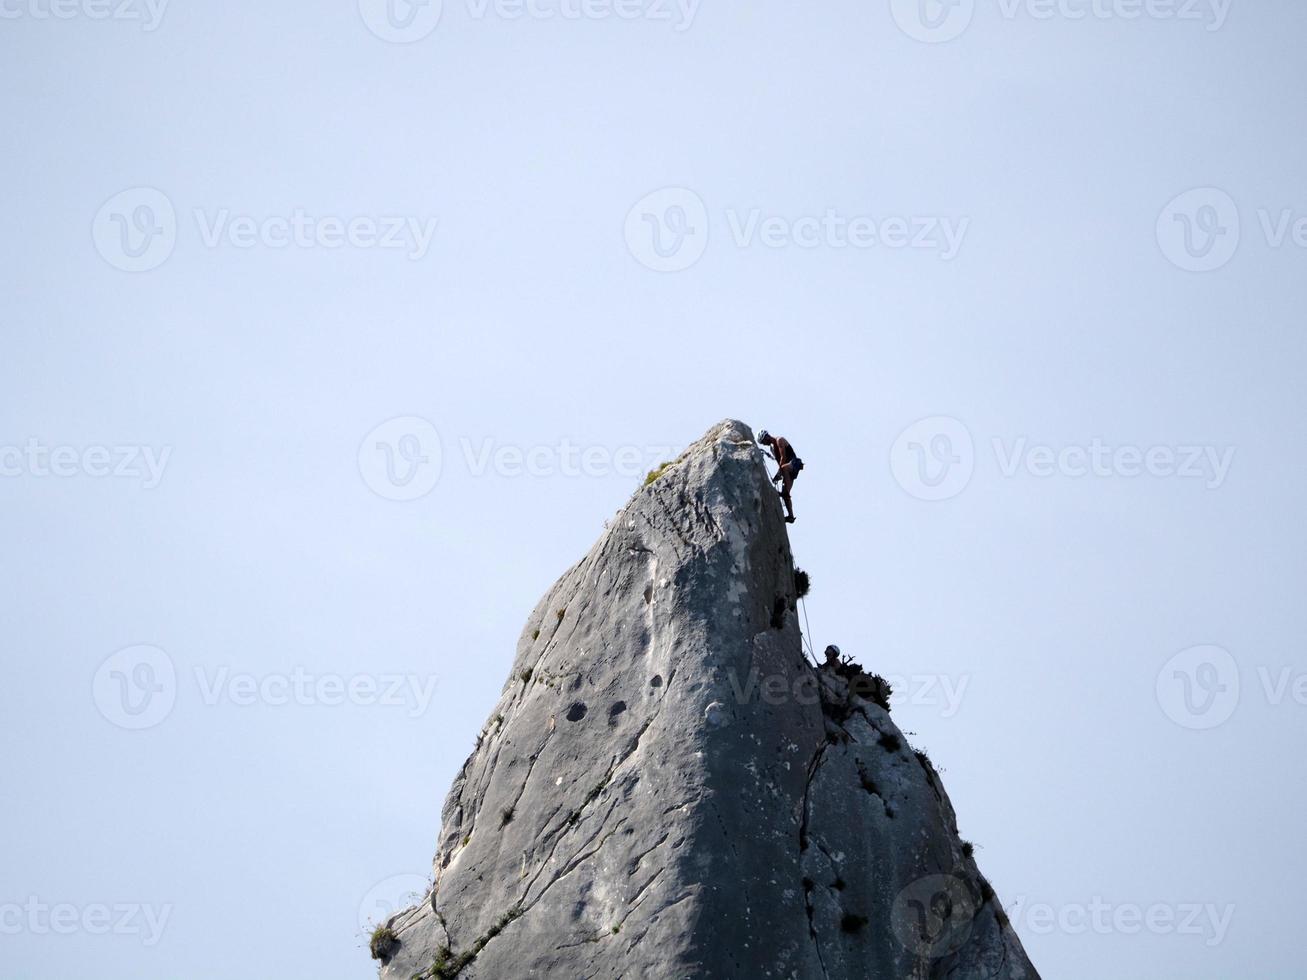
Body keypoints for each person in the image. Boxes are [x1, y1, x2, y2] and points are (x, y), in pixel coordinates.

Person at [758, 430, 803, 523]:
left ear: (767, 436)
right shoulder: (772, 448)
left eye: (764, 441)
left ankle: (785, 491)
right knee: (785, 494)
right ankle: (791, 516)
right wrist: (778, 475)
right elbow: (779, 462)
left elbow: (783, 457)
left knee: (784, 468)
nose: (764, 444)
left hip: (793, 463)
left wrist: (779, 473)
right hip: (788, 469)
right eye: (763, 443)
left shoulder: (779, 440)